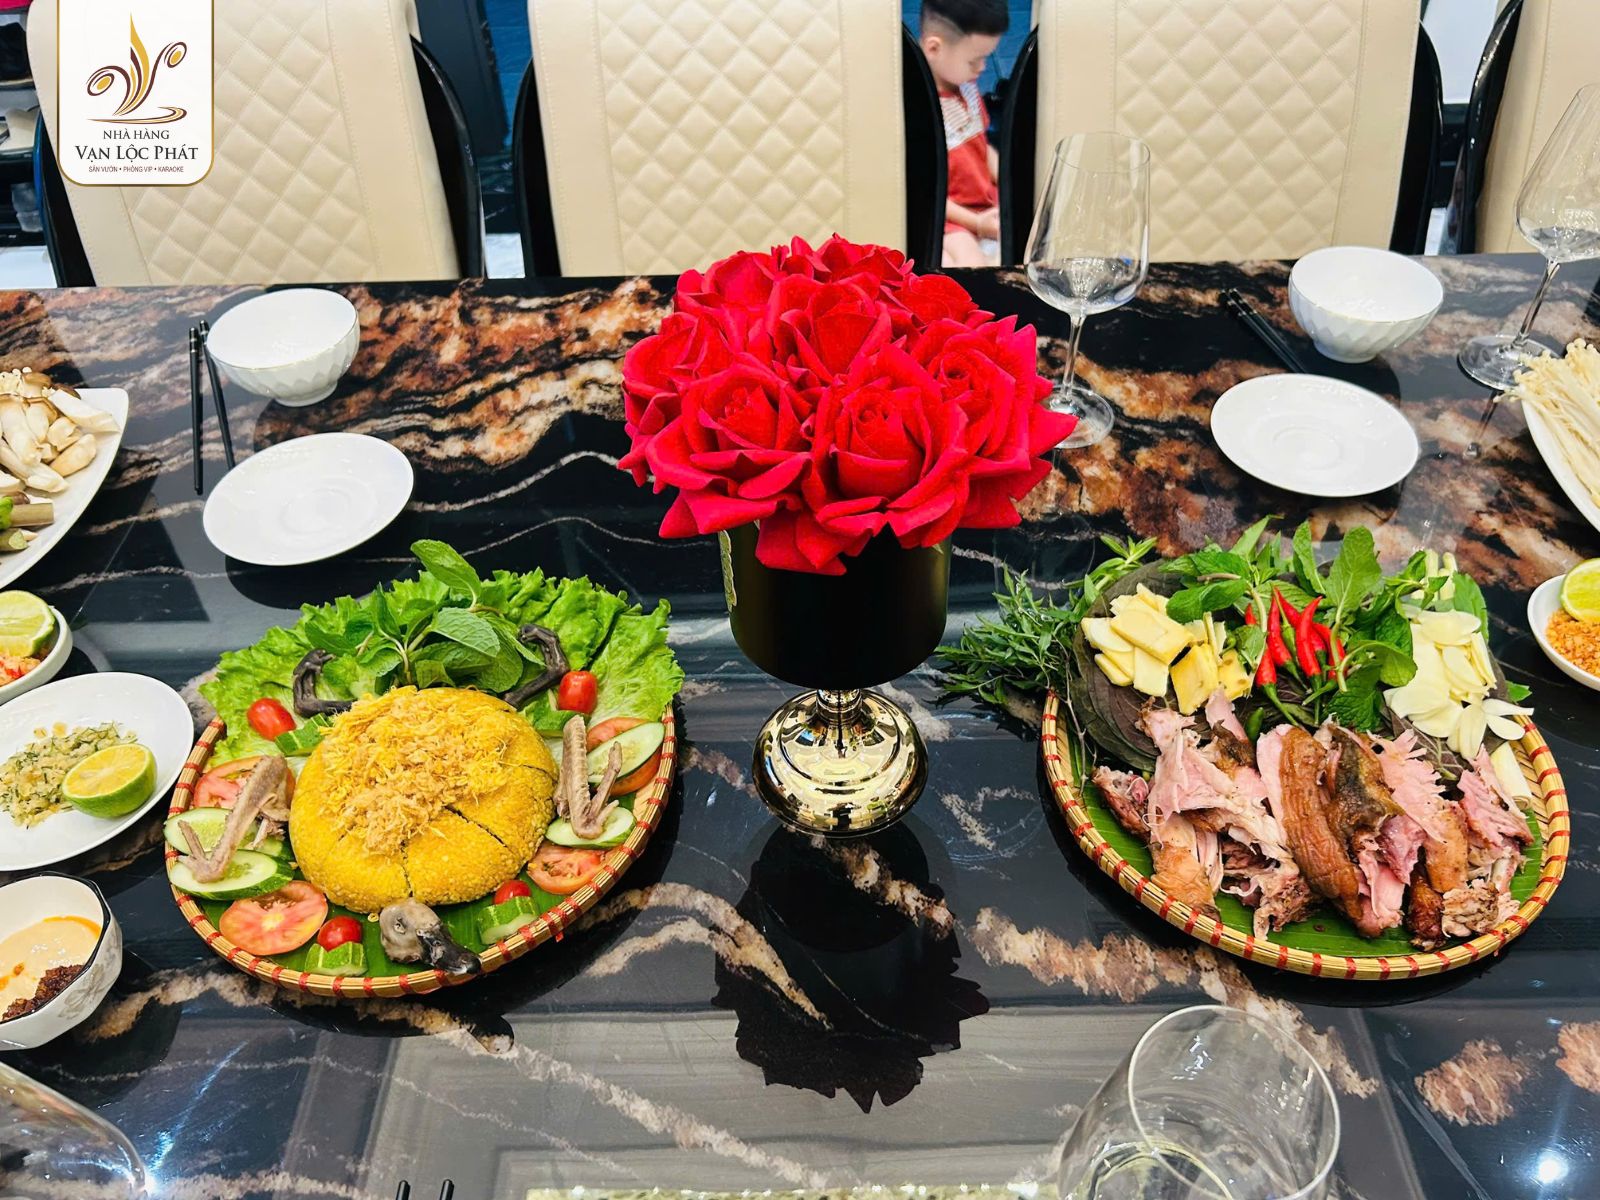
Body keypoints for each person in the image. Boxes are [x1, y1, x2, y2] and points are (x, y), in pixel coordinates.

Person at [919, 0, 1007, 268]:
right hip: (950, 215)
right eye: (974, 60)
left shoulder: (966, 86)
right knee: (973, 265)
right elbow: (927, 191)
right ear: (934, 48)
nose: (982, 68)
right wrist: (976, 223)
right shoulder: (922, 108)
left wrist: (1007, 182)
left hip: (984, 201)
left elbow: (982, 146)